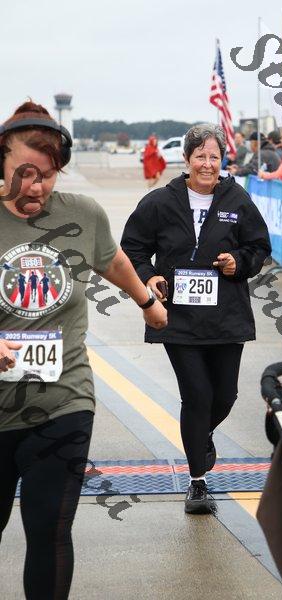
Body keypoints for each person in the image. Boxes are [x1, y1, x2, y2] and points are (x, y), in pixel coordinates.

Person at [0, 101, 167, 600]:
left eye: (48, 175)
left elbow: (111, 260)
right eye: (24, 173)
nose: (36, 187)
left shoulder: (82, 214)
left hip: (63, 402)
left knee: (50, 531)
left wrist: (146, 302)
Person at [121, 124, 271, 514]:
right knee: (197, 395)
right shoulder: (160, 202)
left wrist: (239, 261)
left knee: (225, 395)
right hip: (178, 317)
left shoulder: (238, 200)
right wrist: (148, 276)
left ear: (223, 160)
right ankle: (198, 482)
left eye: (214, 157)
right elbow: (132, 247)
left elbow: (259, 247)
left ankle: (201, 434)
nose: (207, 164)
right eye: (200, 156)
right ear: (186, 159)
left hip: (226, 316)